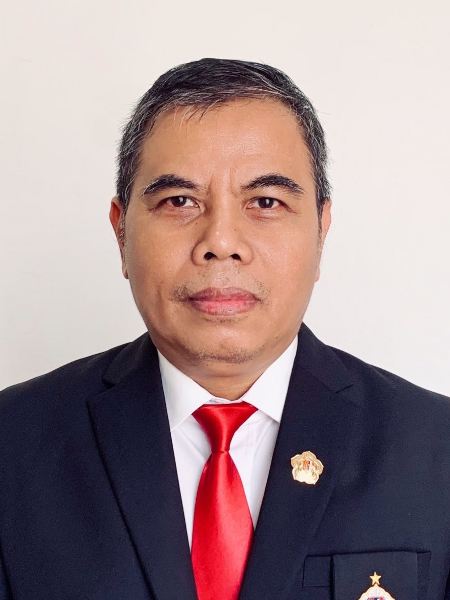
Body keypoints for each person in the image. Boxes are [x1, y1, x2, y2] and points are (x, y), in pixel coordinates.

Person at [0, 58, 449, 600]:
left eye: (265, 202)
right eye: (179, 201)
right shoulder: (13, 444)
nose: (221, 241)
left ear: (321, 230)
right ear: (121, 233)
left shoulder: (436, 449)